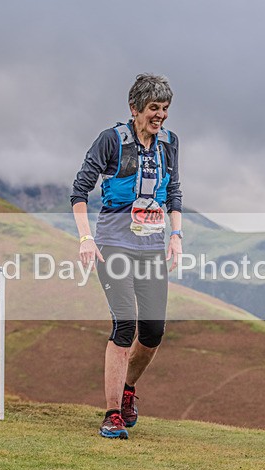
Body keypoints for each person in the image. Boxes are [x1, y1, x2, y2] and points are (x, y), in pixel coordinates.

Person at [71, 74, 183, 439]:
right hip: (113, 246)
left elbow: (174, 192)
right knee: (125, 324)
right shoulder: (111, 140)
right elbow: (79, 192)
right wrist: (86, 238)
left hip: (151, 247)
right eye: (153, 108)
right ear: (134, 108)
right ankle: (112, 414)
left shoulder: (169, 143)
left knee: (153, 332)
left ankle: (127, 390)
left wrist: (176, 236)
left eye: (164, 108)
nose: (160, 115)